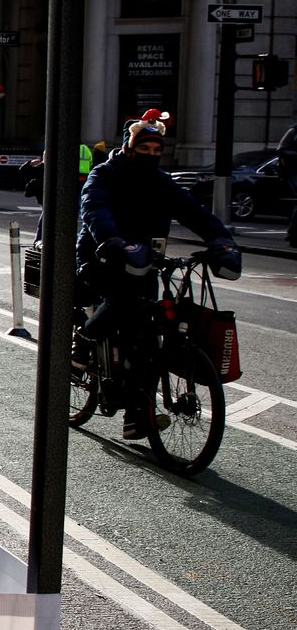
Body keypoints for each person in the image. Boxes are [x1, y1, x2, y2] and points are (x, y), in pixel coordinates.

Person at [77, 119, 241, 441]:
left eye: (156, 150)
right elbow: (95, 209)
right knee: (123, 302)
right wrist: (113, 241)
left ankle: (137, 415)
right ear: (128, 147)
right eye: (144, 148)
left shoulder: (161, 182)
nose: (151, 154)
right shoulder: (104, 175)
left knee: (149, 338)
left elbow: (194, 212)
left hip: (146, 261)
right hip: (102, 256)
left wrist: (221, 240)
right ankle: (84, 341)